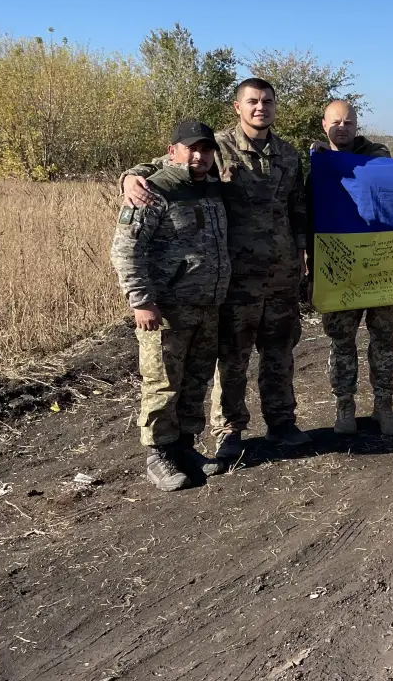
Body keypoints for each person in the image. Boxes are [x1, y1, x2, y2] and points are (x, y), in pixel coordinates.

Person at [121, 78, 309, 468]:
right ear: (238, 107)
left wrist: (302, 258)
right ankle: (229, 431)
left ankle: (281, 421)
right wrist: (128, 177)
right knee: (232, 358)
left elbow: (298, 210)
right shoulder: (216, 147)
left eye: (268, 101)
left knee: (280, 353)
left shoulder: (289, 155)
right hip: (233, 280)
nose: (261, 107)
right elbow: (164, 165)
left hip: (281, 276)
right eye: (253, 101)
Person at [110, 122, 230, 491]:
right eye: (191, 148)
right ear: (172, 150)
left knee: (195, 381)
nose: (199, 156)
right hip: (167, 309)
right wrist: (141, 301)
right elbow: (125, 250)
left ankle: (184, 447)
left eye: (206, 149)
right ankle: (158, 455)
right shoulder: (152, 190)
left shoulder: (212, 187)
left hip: (207, 306)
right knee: (162, 383)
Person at [310, 100, 393, 437]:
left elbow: (381, 171)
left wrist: (332, 160)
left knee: (383, 338)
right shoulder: (315, 163)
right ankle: (344, 406)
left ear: (356, 125)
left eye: (348, 122)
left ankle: (384, 406)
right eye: (335, 122)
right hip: (339, 268)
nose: (342, 128)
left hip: (382, 264)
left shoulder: (375, 153)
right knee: (341, 342)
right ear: (324, 125)